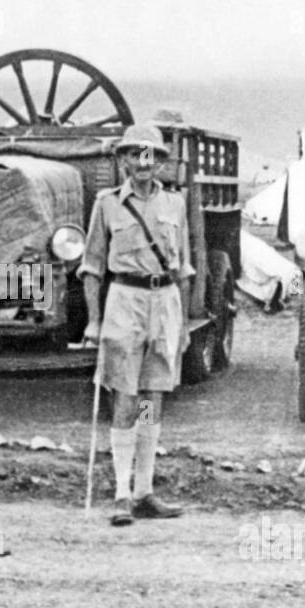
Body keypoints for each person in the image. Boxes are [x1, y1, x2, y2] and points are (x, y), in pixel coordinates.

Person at [80, 123, 193, 526]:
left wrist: (182, 325)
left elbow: (184, 268)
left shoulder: (176, 205)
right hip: (124, 303)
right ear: (124, 160)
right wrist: (94, 320)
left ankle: (145, 491)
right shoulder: (107, 204)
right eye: (135, 154)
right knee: (125, 397)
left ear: (160, 162)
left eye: (152, 155)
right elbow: (92, 267)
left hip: (164, 304)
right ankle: (121, 493)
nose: (144, 162)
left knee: (152, 397)